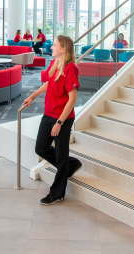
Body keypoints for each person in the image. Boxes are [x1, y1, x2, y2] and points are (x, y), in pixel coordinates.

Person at [23, 35, 83, 205]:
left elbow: (72, 100)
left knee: (60, 155)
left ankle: (57, 193)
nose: (51, 47)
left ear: (63, 48)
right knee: (41, 148)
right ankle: (71, 165)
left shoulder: (71, 68)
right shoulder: (54, 63)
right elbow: (49, 83)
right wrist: (33, 96)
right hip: (48, 114)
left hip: (62, 118)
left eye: (55, 45)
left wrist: (59, 122)